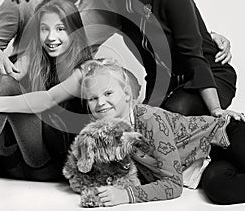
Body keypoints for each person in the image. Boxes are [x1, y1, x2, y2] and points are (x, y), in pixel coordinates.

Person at [9, 0, 234, 112]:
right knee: (144, 122)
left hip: (208, 78)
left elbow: (193, 54)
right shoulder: (117, 0)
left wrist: (215, 109)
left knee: (174, 112)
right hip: (171, 85)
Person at [0, 0, 92, 209]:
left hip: (50, 164)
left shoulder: (85, 68)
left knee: (3, 88)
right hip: (12, 162)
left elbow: (48, 99)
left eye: (61, 29)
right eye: (44, 29)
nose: (51, 37)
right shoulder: (35, 57)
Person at [71, 58, 245, 206]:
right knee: (219, 188)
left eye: (108, 93)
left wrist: (126, 196)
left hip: (224, 134)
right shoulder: (105, 136)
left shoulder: (150, 119)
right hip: (207, 162)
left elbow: (173, 185)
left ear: (126, 94)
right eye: (93, 98)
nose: (100, 102)